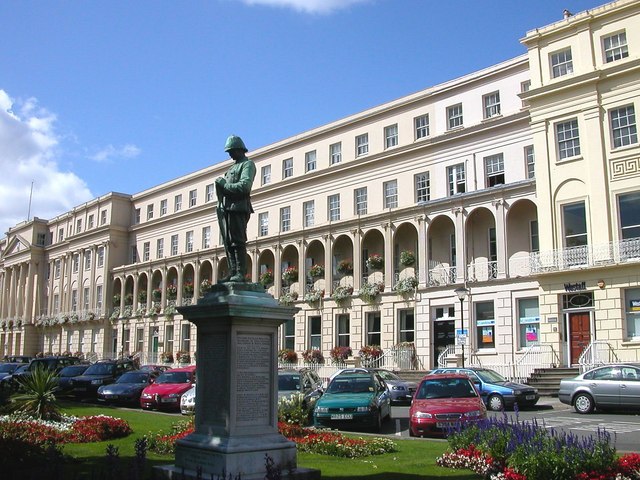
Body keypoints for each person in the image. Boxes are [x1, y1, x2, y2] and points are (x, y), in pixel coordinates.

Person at [216, 135, 256, 282]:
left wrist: (224, 185)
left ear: (239, 149)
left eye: (231, 151)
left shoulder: (247, 165)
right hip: (227, 209)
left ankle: (240, 272)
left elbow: (245, 186)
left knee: (237, 241)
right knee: (228, 242)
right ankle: (232, 271)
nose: (230, 154)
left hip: (239, 208)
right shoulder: (231, 168)